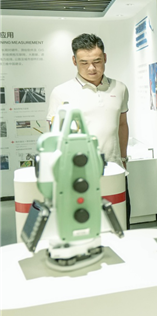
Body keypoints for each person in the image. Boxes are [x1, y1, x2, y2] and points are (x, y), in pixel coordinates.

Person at [47, 33, 131, 228]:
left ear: (105, 58)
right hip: (79, 175)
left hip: (114, 170)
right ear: (74, 61)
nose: (92, 68)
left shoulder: (119, 88)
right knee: (85, 228)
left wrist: (123, 159)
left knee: (120, 225)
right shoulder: (61, 92)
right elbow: (55, 136)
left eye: (97, 61)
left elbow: (122, 125)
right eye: (84, 63)